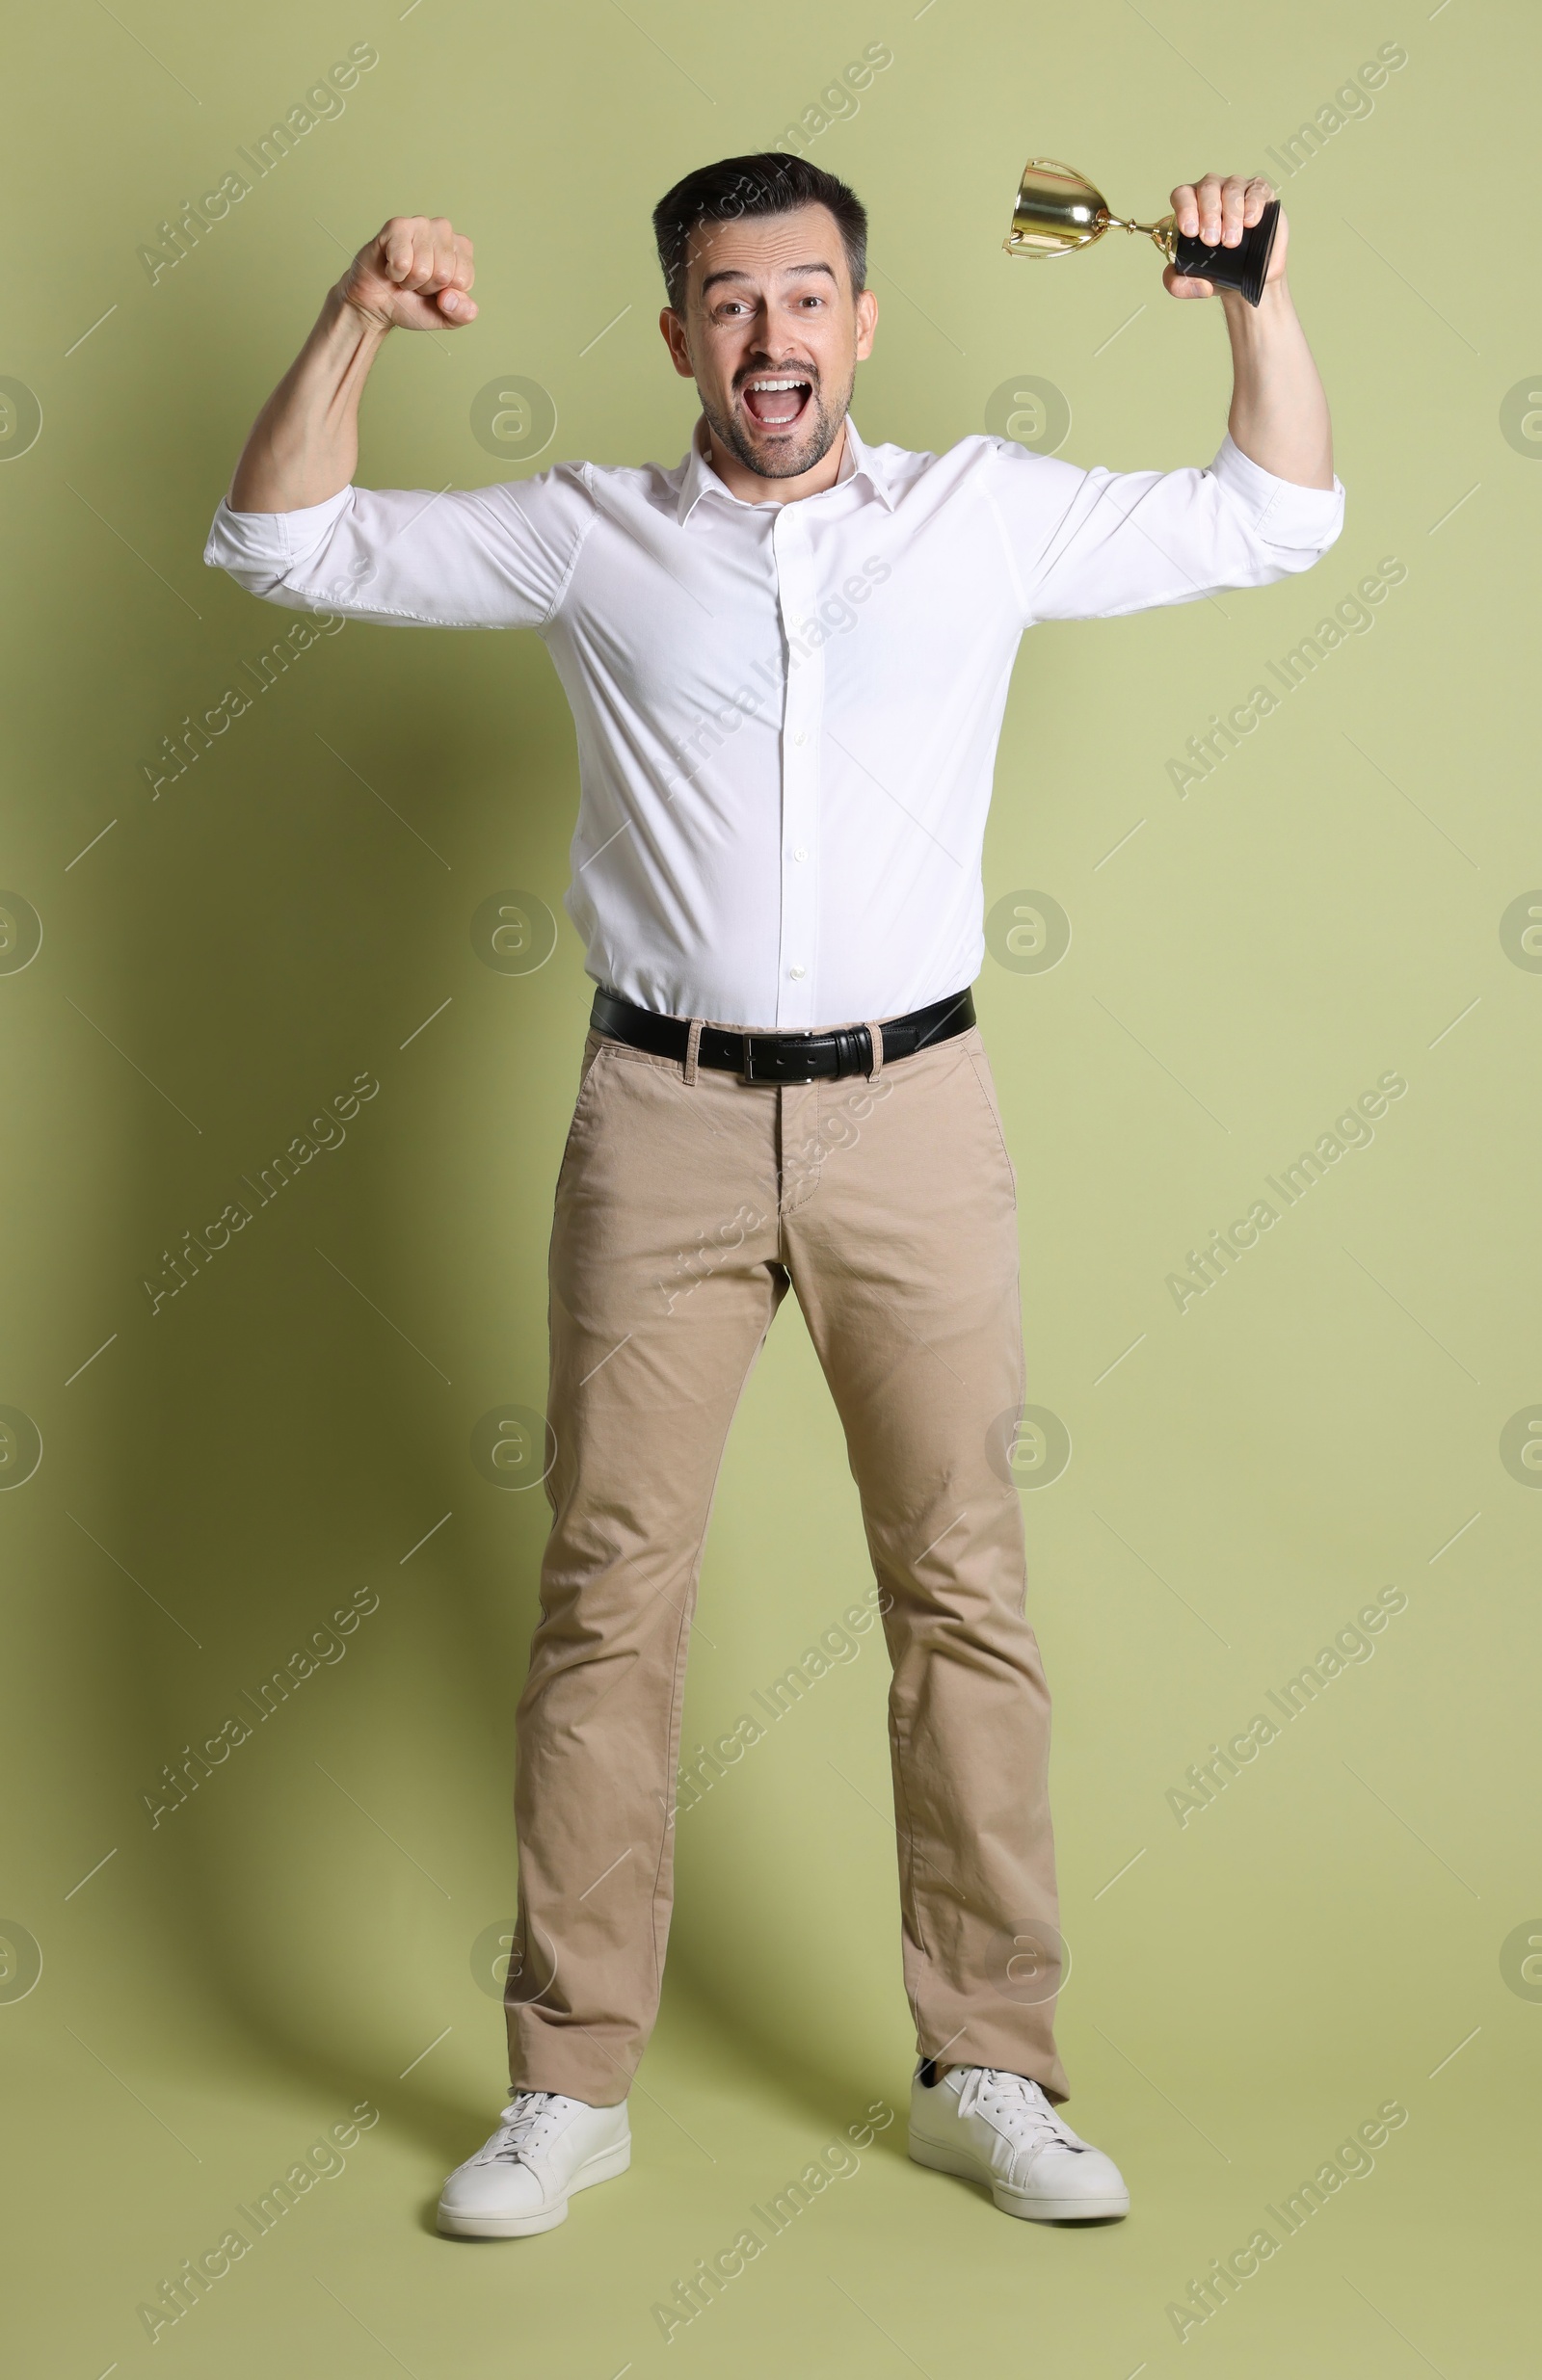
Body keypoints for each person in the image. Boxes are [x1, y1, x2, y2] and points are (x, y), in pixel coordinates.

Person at [205, 150, 1342, 2240]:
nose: (770, 340)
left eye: (804, 298)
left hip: (916, 1114)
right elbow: (279, 542)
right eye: (728, 304)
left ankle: (986, 2061)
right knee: (604, 1598)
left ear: (861, 323)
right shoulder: (590, 533)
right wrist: (356, 311)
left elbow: (1277, 516)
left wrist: (1250, 302)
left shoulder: (979, 516)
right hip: (660, 1123)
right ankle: (567, 2080)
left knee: (961, 1589)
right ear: (673, 339)